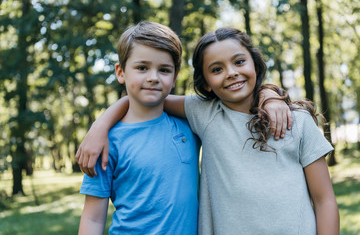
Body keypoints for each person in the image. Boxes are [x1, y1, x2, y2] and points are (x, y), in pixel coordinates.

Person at [76, 27, 330, 234]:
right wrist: (100, 126)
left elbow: (325, 201)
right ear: (206, 84)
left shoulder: (295, 121)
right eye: (216, 69)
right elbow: (145, 98)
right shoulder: (202, 116)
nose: (231, 73)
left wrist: (270, 94)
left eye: (239, 61)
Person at [78, 21, 201, 235]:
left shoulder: (191, 125)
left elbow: (235, 103)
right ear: (121, 72)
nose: (153, 77)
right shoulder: (105, 143)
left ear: (175, 77)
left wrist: (270, 96)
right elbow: (92, 218)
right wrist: (101, 126)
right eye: (142, 67)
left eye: (164, 70)